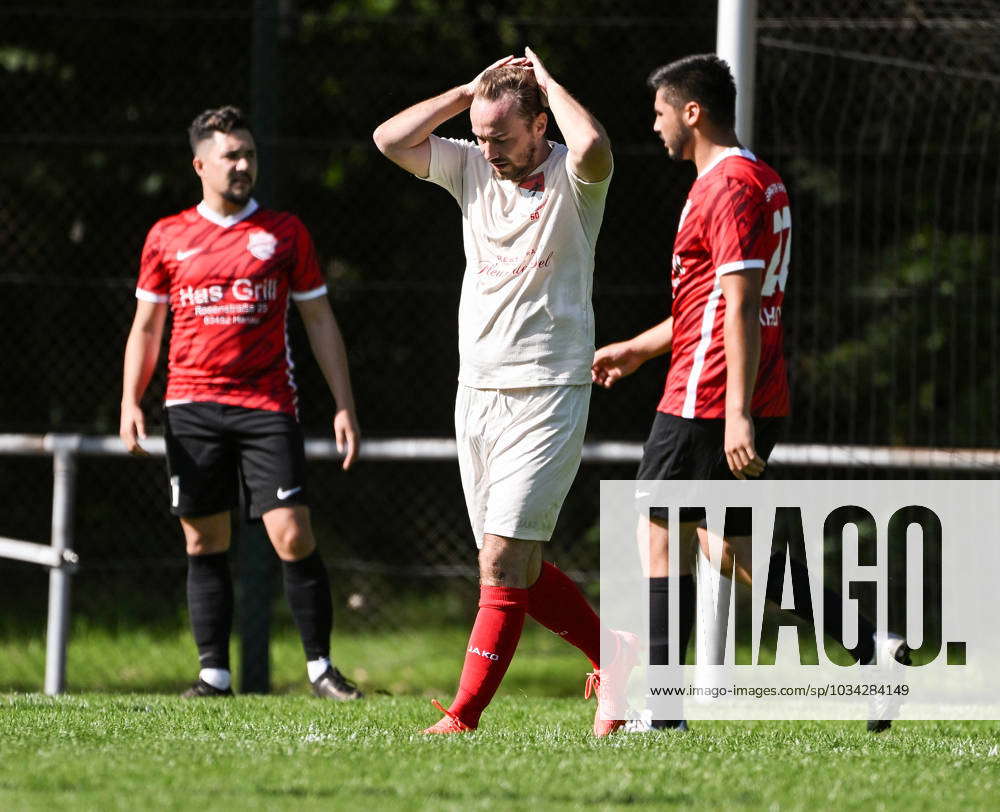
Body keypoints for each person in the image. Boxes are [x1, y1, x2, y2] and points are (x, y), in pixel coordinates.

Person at [592, 55, 909, 733]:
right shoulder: (760, 178)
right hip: (746, 389)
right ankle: (871, 646)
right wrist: (638, 349)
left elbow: (737, 305)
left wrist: (732, 410)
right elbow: (713, 302)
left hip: (711, 397)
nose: (654, 126)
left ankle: (666, 711)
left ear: (692, 112)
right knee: (729, 549)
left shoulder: (726, 186)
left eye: (659, 113)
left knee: (661, 532)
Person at [373, 49, 635, 736]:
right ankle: (617, 654)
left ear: (539, 125)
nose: (487, 150)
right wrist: (468, 92)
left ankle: (462, 715)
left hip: (548, 388)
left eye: (502, 137)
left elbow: (597, 143)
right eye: (480, 137)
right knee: (518, 559)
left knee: (500, 555)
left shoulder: (576, 181)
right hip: (477, 389)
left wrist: (546, 77)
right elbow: (389, 140)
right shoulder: (468, 166)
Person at [120, 105, 364, 701]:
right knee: (203, 540)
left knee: (291, 534)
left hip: (266, 404)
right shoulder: (167, 236)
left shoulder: (285, 232)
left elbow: (319, 320)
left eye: (249, 154)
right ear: (200, 164)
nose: (243, 165)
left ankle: (320, 669)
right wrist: (130, 400)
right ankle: (213, 675)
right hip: (190, 406)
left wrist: (343, 404)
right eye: (230, 155)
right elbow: (147, 328)